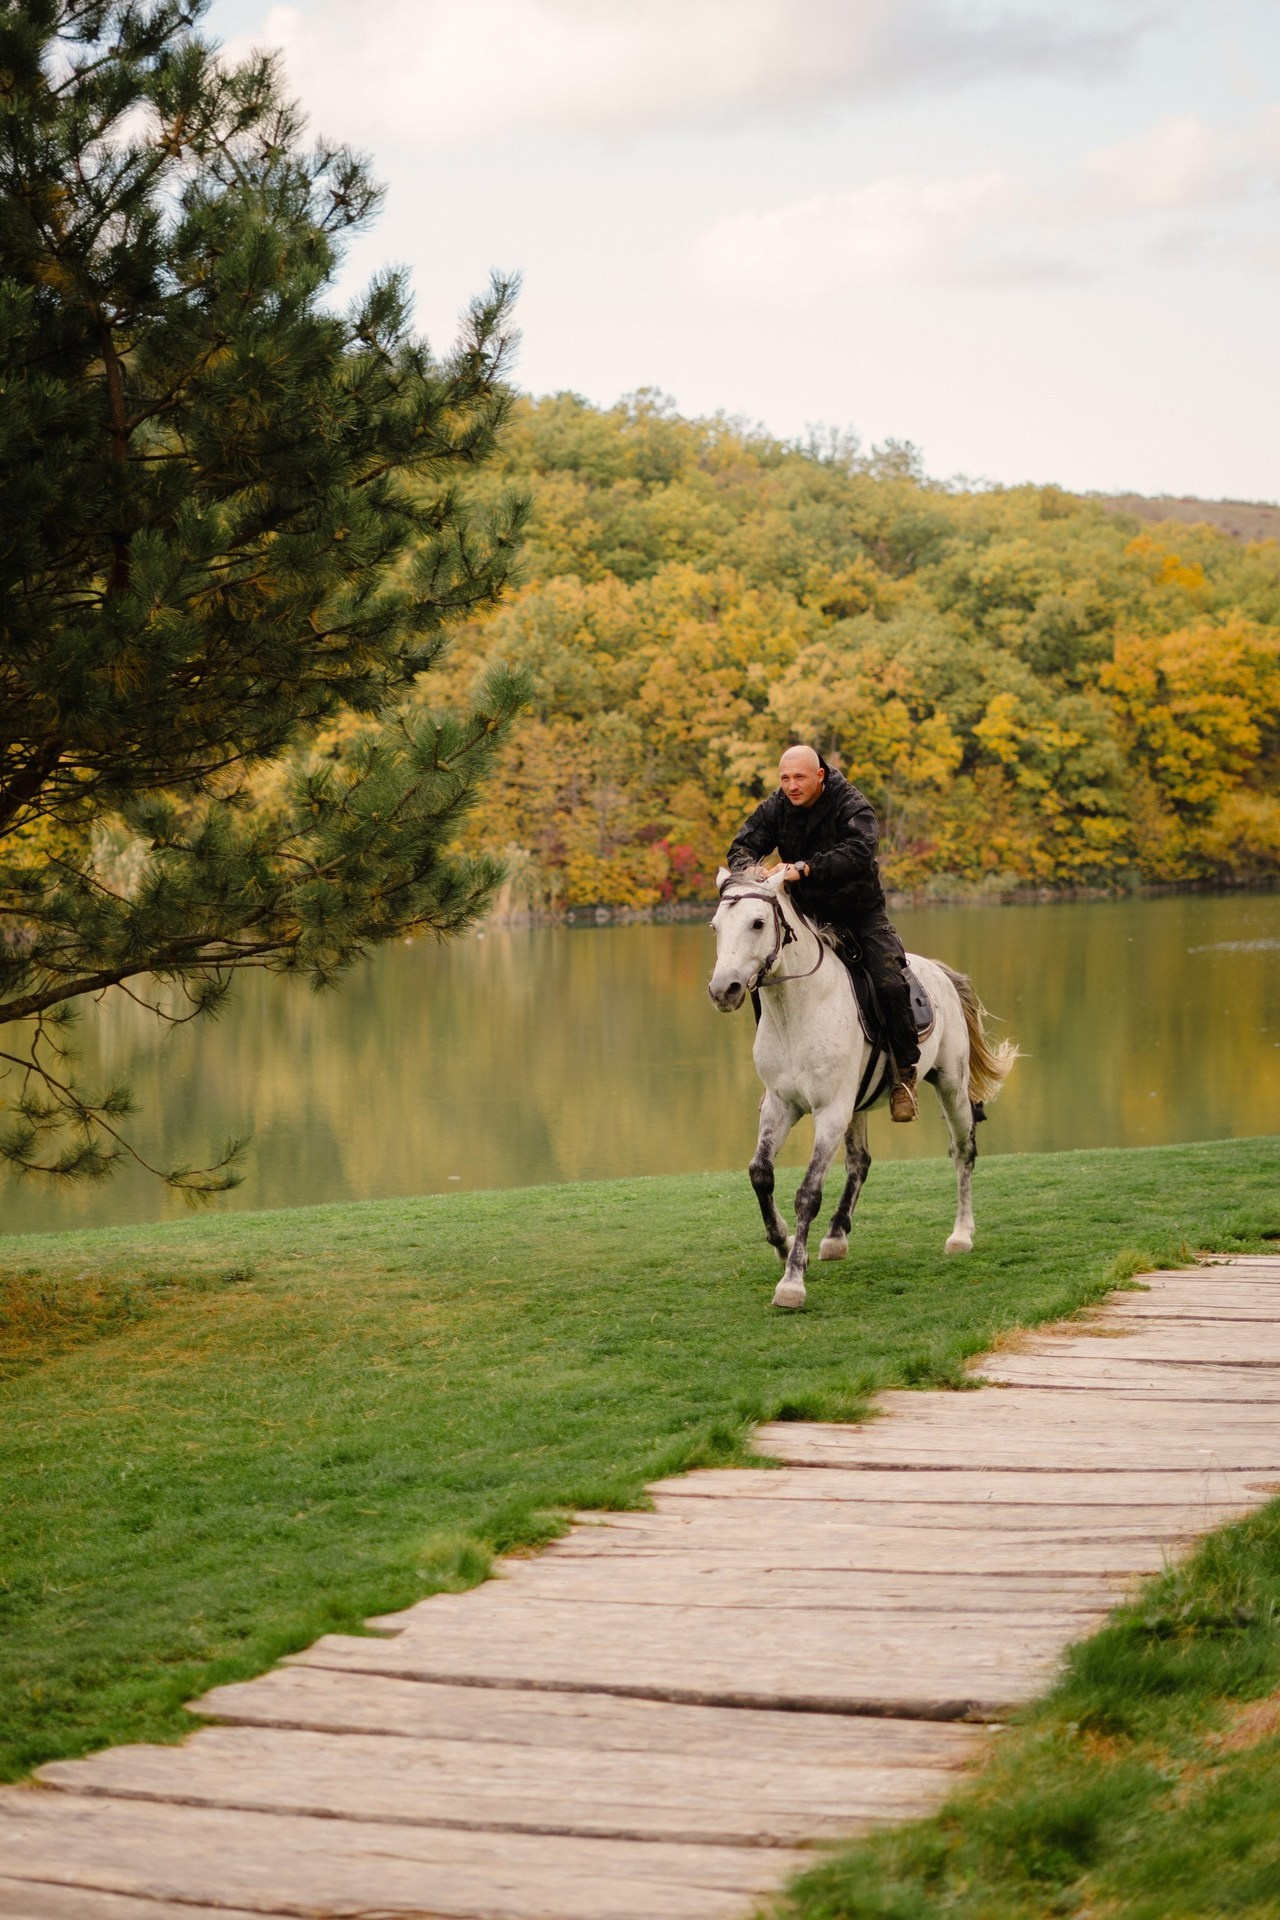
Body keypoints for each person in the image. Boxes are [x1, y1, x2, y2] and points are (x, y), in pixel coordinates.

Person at [726, 744, 920, 1120]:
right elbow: (740, 848)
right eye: (784, 778)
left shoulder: (852, 804)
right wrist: (752, 873)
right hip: (805, 917)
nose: (791, 786)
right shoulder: (776, 806)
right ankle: (776, 1081)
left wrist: (804, 868)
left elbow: (860, 851)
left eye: (799, 777)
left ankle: (905, 1075)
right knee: (761, 976)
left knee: (889, 980)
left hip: (859, 913)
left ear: (819, 776)